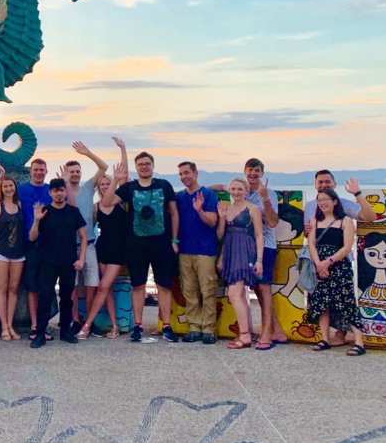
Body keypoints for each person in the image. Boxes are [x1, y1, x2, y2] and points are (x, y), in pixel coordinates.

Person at [99, 141, 179, 344]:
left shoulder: (164, 185)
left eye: (147, 163)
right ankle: (138, 326)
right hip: (135, 245)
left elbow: (174, 212)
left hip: (162, 244)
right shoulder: (128, 188)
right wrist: (116, 181)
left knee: (164, 285)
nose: (144, 167)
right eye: (140, 164)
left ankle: (167, 326)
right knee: (138, 285)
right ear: (137, 167)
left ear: (152, 166)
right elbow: (107, 203)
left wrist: (175, 239)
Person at [29, 178, 87, 348]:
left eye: (61, 190)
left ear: (65, 192)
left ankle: (65, 331)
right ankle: (40, 333)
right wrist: (37, 219)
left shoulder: (73, 212)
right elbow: (32, 237)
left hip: (68, 262)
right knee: (45, 297)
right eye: (55, 191)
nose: (59, 193)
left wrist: (81, 258)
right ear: (50, 193)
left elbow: (83, 237)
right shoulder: (44, 211)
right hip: (47, 261)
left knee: (67, 298)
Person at [306, 190, 365, 356]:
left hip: (339, 266)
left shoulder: (345, 221)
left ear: (335, 201)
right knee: (321, 303)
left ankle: (359, 342)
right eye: (319, 200)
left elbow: (347, 247)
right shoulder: (314, 221)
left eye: (326, 199)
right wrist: (318, 264)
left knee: (347, 302)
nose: (322, 203)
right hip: (319, 266)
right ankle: (325, 338)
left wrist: (328, 262)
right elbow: (311, 244)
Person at [242, 158, 288, 349]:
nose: (253, 173)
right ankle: (277, 330)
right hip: (248, 247)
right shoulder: (241, 192)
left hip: (266, 246)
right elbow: (220, 186)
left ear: (262, 173)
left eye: (257, 170)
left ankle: (267, 333)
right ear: (245, 171)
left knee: (264, 287)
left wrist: (266, 198)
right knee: (257, 288)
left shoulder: (268, 194)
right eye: (250, 170)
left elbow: (272, 222)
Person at [77, 169, 127, 339]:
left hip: (119, 250)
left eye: (108, 183)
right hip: (102, 247)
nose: (106, 186)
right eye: (103, 184)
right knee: (107, 290)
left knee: (103, 287)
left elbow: (124, 177)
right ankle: (114, 327)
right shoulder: (96, 207)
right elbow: (86, 228)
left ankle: (87, 325)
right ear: (98, 188)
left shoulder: (121, 202)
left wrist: (122, 148)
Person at [65, 142, 110, 329]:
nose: (75, 174)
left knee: (92, 285)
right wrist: (65, 183)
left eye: (77, 171)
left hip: (89, 244)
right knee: (72, 287)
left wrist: (88, 153)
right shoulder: (62, 191)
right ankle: (75, 320)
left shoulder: (88, 188)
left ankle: (89, 322)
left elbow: (104, 167)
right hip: (69, 245)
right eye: (71, 171)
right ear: (66, 173)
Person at [217, 178, 265, 350]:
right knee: (239, 295)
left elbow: (259, 235)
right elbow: (220, 235)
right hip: (230, 251)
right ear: (229, 190)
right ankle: (247, 332)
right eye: (233, 189)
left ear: (246, 191)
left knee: (234, 294)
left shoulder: (253, 209)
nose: (236, 192)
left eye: (239, 189)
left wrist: (259, 260)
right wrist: (222, 218)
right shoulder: (226, 209)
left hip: (245, 251)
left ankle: (245, 335)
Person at [175, 162, 219, 344]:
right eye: (180, 174)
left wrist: (199, 210)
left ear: (195, 173)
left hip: (205, 250)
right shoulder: (179, 197)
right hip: (184, 250)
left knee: (208, 290)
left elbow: (212, 222)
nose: (184, 176)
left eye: (187, 173)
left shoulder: (208, 195)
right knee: (189, 290)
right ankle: (194, 327)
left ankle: (209, 329)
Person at [0, 173, 24, 341]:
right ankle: (4, 326)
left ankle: (10, 324)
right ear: (1, 189)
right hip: (0, 252)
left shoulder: (19, 204)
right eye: (5, 186)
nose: (8, 188)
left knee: (14, 289)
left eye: (11, 185)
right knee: (1, 288)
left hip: (19, 253)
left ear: (15, 188)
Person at [18, 158, 52, 338]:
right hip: (28, 244)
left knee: (46, 287)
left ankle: (44, 324)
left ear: (46, 171)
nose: (39, 172)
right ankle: (34, 325)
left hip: (49, 245)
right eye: (36, 169)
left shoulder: (50, 190)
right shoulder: (21, 189)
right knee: (32, 287)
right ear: (30, 171)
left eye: (42, 170)